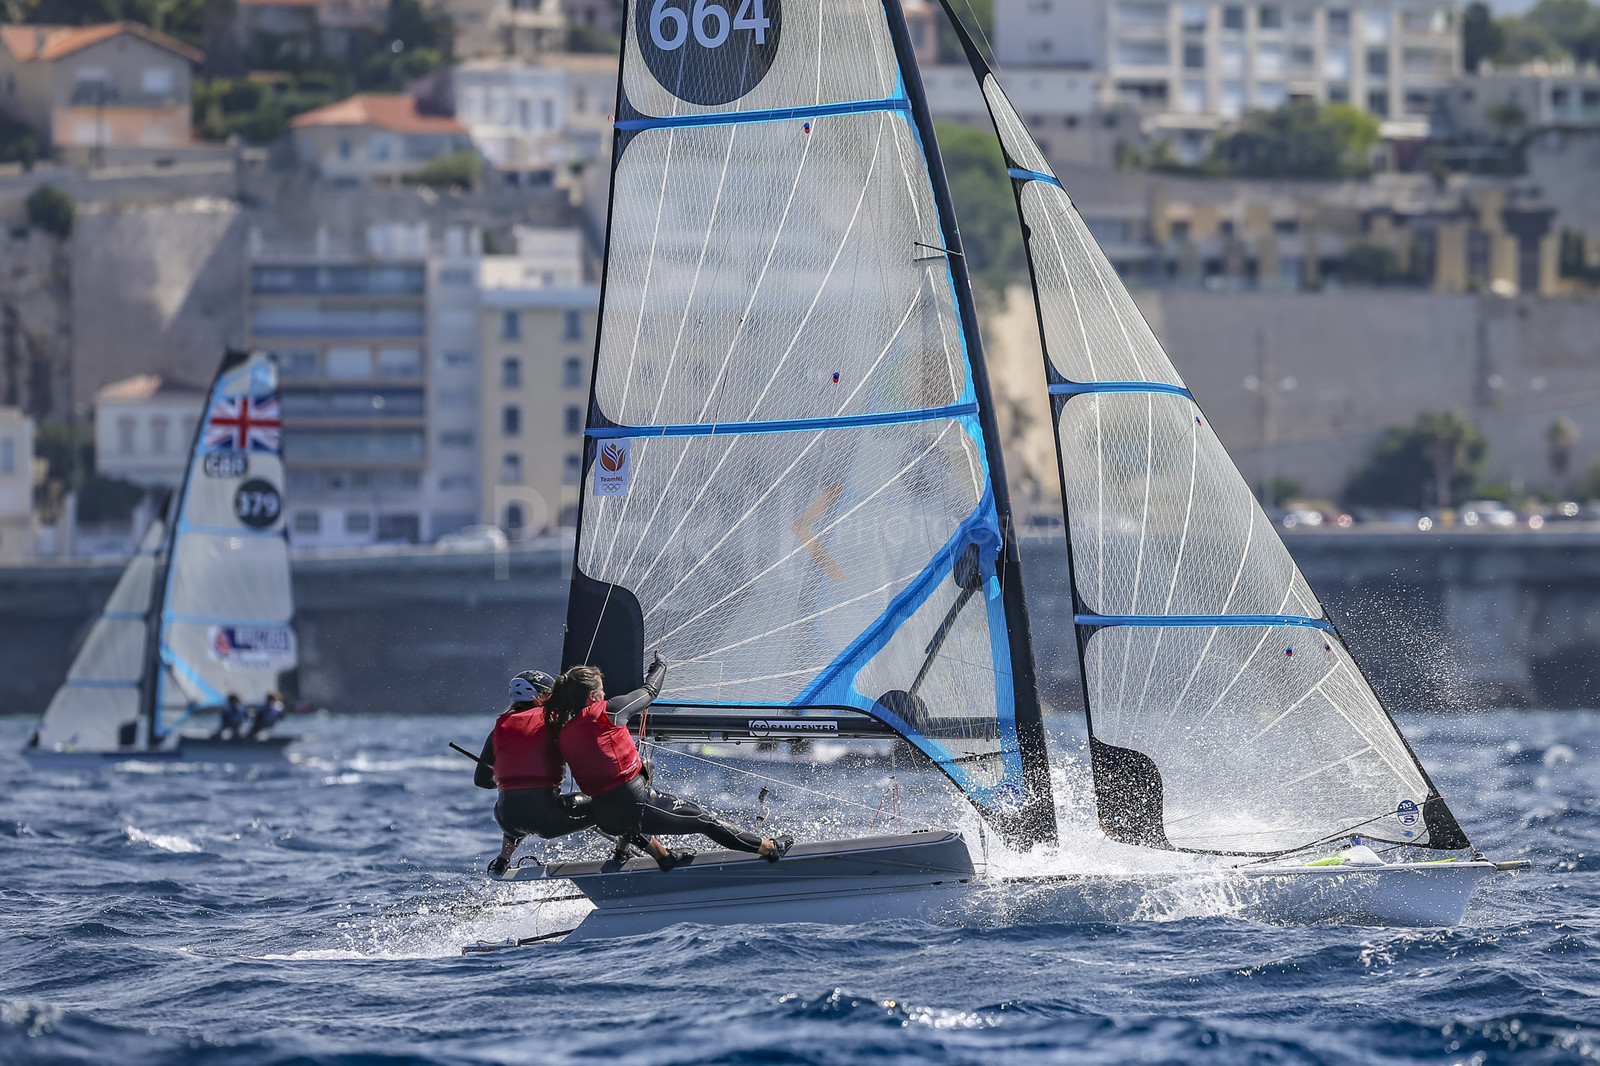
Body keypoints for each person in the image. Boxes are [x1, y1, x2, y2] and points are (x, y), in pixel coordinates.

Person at [546, 658, 792, 868]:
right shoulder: (608, 711)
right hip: (635, 805)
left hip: (607, 817)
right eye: (601, 691)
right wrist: (661, 665)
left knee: (644, 768)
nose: (605, 694)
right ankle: (770, 848)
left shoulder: (565, 731)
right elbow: (649, 692)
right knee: (706, 821)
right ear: (592, 697)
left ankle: (659, 857)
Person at [475, 669, 603, 875]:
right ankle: (625, 853)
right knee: (614, 803)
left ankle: (503, 859)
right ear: (544, 696)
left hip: (506, 817)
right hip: (546, 817)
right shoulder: (556, 720)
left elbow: (481, 780)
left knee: (519, 802)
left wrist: (510, 779)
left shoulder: (500, 727)